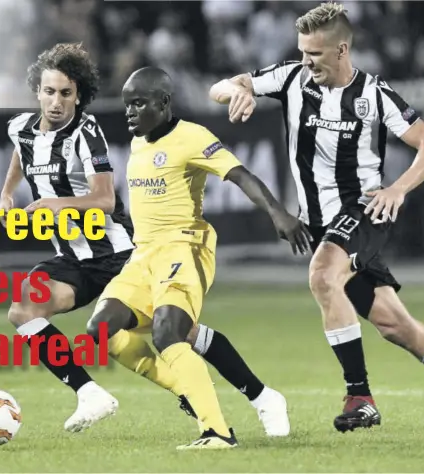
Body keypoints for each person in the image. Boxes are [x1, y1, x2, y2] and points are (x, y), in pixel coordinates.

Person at [208, 2, 424, 443]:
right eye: (301, 51)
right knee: (398, 327)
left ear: (342, 49)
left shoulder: (374, 95)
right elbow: (223, 86)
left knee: (322, 274)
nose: (305, 61)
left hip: (363, 212)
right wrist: (234, 91)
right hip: (319, 225)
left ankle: (360, 397)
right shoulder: (292, 78)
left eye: (314, 53)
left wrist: (396, 189)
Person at [1, 43, 292, 436]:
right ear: (37, 90)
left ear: (80, 96)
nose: (56, 102)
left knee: (177, 332)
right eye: (49, 92)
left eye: (66, 93)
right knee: (26, 309)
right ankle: (91, 393)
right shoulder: (21, 127)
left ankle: (258, 397)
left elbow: (105, 199)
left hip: (118, 253)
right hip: (72, 257)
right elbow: (22, 152)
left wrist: (55, 203)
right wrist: (7, 192)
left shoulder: (87, 134)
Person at [85, 66, 312, 450]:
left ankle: (217, 432)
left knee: (166, 333)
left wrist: (278, 212)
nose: (130, 112)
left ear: (164, 102)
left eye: (139, 103)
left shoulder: (192, 137)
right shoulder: (138, 143)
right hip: (143, 258)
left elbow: (240, 175)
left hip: (184, 248)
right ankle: (216, 392)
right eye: (127, 105)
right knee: (101, 330)